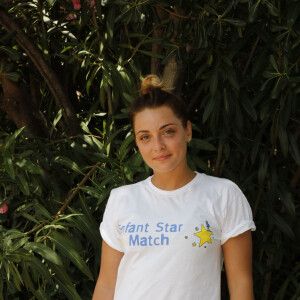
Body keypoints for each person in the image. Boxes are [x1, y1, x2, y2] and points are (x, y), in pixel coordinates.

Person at [92, 75, 256, 300]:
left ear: (187, 131)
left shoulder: (223, 195)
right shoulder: (122, 199)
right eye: (145, 137)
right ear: (137, 143)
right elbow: (106, 284)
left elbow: (240, 284)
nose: (158, 146)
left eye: (168, 131)